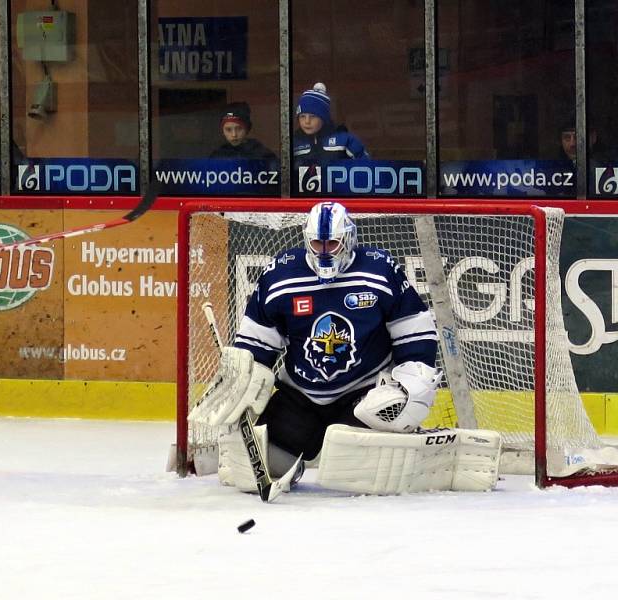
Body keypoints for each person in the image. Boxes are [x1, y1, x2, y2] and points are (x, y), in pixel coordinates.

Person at [192, 202, 499, 496]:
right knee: (254, 469)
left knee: (363, 476)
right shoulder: (280, 275)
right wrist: (243, 379)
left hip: (363, 393)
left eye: (332, 244)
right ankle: (294, 460)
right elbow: (257, 341)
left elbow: (414, 329)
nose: (324, 251)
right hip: (301, 394)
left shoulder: (379, 271)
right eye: (318, 244)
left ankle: (412, 441)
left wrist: (411, 380)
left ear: (349, 239)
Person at [293, 83, 369, 167]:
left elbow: (366, 168)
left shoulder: (345, 140)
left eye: (313, 116)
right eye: (302, 116)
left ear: (324, 118)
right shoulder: (293, 143)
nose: (307, 121)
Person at [209, 102, 277, 160]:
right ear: (222, 131)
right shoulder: (217, 156)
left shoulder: (263, 155)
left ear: (247, 129)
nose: (234, 134)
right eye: (228, 130)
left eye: (239, 129)